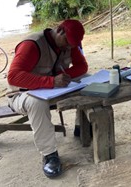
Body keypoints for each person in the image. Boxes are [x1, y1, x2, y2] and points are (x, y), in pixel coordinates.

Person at [6, 19, 88, 178]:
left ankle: (82, 126)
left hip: (52, 90)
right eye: (67, 42)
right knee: (37, 103)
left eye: (72, 45)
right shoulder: (32, 45)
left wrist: (64, 77)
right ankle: (50, 154)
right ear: (60, 30)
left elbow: (82, 66)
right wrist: (51, 81)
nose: (68, 47)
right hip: (23, 94)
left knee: (86, 82)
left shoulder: (70, 43)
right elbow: (13, 77)